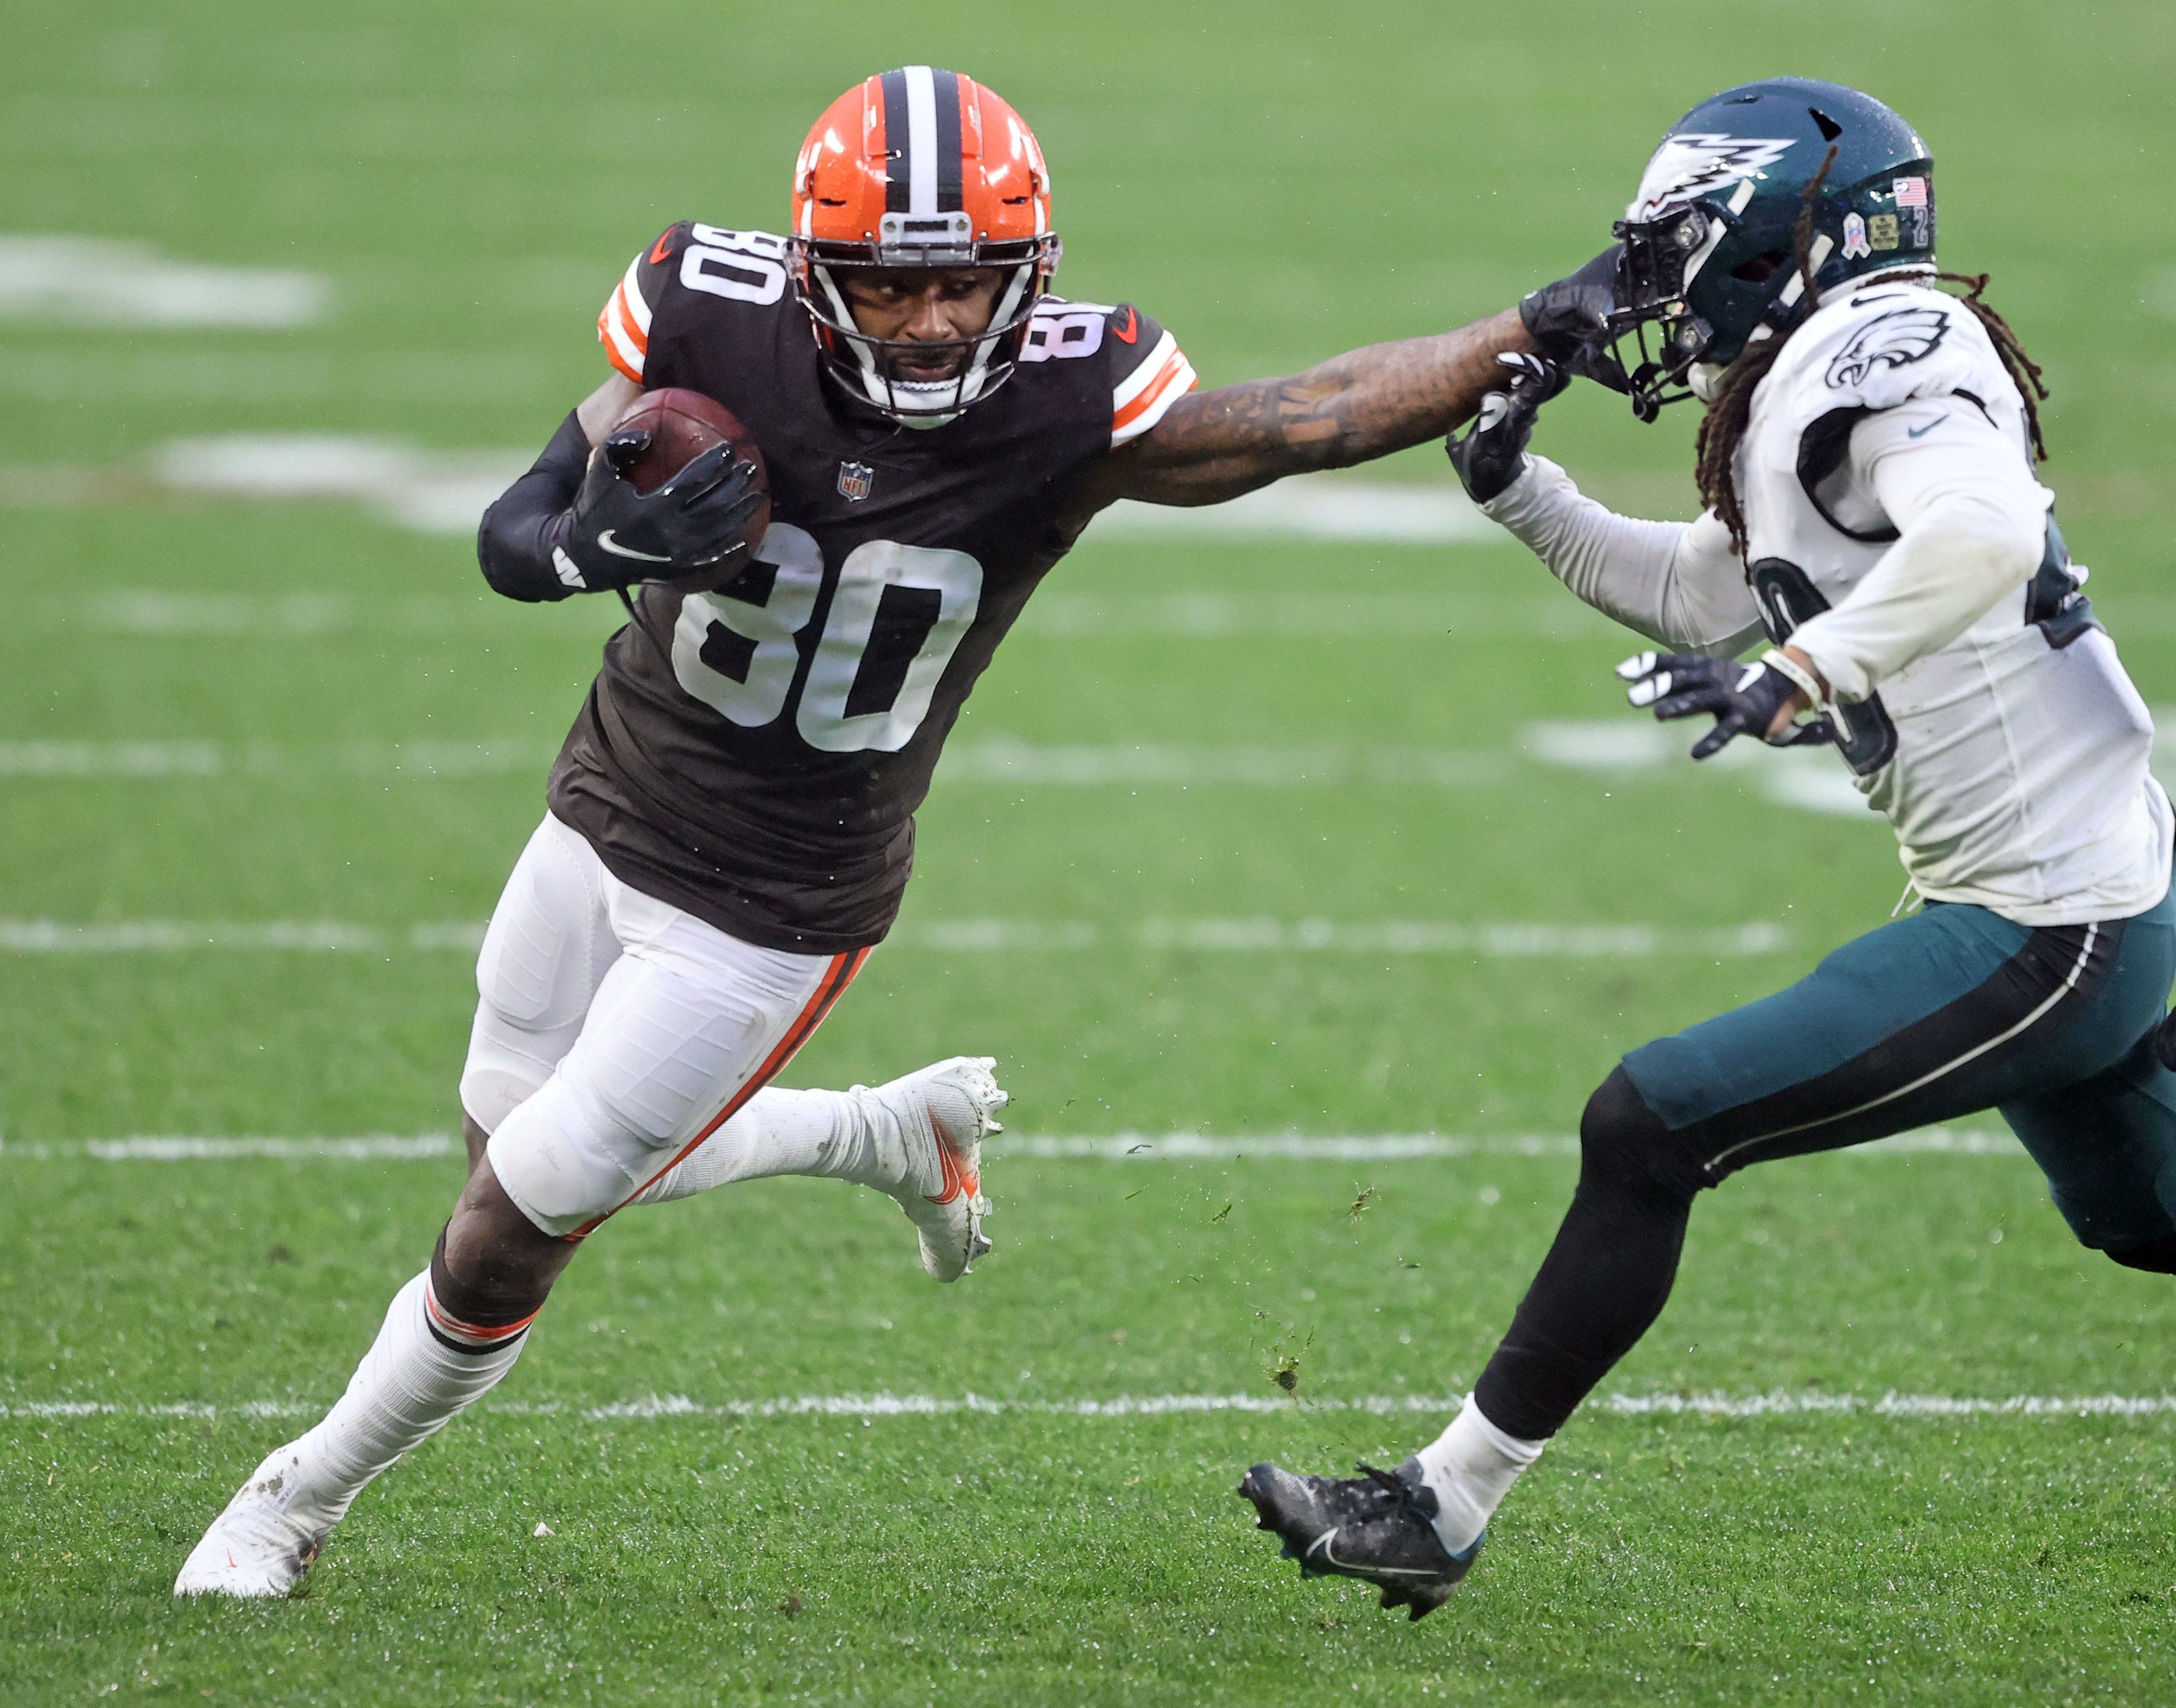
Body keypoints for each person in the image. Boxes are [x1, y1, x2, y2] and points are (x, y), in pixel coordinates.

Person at [177, 64, 1599, 1597]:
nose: (929, 317)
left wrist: (1519, 333)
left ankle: (287, 1503)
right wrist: (596, 541)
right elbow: (515, 529)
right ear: (811, 273)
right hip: (601, 807)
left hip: (779, 902)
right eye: (892, 280)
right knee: (508, 1154)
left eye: (965, 281)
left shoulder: (1072, 399)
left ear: (1028, 276)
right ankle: (882, 1133)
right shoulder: (703, 314)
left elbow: (1304, 417)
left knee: (509, 1232)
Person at [1238, 78, 2176, 1622]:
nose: (1650, 286)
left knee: (1653, 1124)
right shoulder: (1805, 376)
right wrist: (1523, 495)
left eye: (1679, 248)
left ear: (1788, 239)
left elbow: (1982, 536)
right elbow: (1711, 595)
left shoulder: (1883, 347)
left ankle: (1443, 1504)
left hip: (2049, 922)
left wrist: (1805, 675)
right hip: (2098, 876)